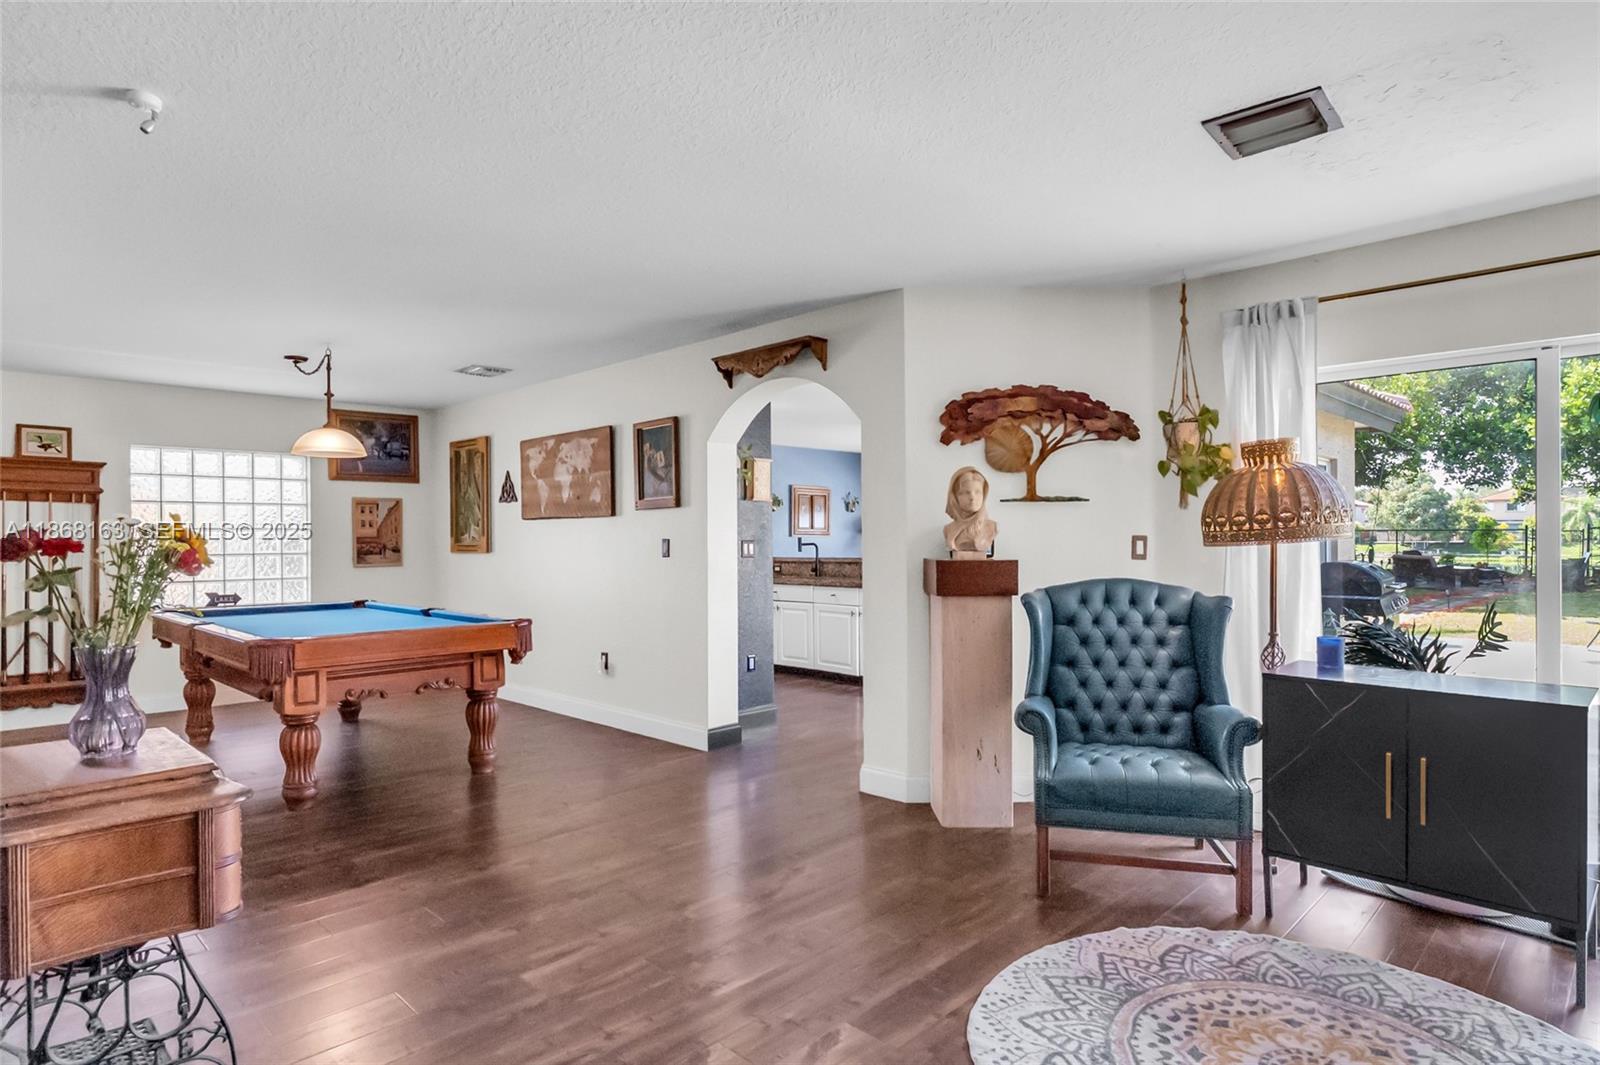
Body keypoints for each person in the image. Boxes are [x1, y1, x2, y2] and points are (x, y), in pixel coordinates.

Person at [944, 466, 997, 557]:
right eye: (966, 492)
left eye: (977, 492)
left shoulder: (991, 527)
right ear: (955, 497)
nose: (972, 498)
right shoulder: (948, 529)